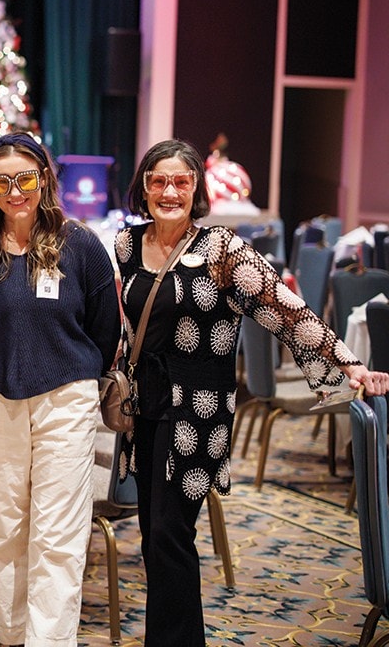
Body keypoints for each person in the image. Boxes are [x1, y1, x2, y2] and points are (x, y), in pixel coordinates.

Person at [115, 138, 389, 646]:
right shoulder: (127, 245)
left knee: (171, 535)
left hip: (197, 412)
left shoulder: (222, 249)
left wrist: (347, 362)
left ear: (196, 189)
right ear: (144, 188)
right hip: (146, 407)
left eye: (181, 182)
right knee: (153, 537)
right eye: (159, 181)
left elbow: (285, 309)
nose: (169, 192)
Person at [0, 133, 120, 647]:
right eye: (2, 182)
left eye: (25, 179)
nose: (15, 191)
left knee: (58, 534)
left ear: (45, 179)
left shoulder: (81, 245)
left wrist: (78, 374)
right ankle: (14, 636)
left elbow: (105, 329)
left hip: (66, 399)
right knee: (7, 529)